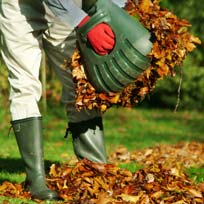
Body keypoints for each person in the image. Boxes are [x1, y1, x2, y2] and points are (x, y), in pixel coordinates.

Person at [0, 0, 126, 201]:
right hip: (19, 4)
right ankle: (36, 181)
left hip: (65, 3)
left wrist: (118, 11)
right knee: (24, 85)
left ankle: (95, 171)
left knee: (79, 83)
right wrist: (84, 22)